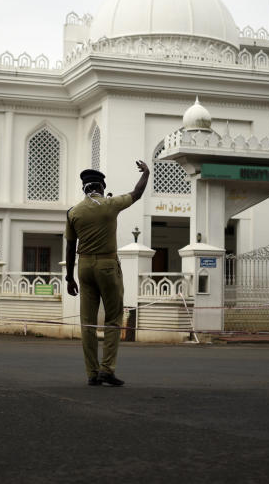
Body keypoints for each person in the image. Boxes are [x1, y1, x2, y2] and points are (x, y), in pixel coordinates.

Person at [64, 161, 149, 386]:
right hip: (107, 266)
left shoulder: (73, 212)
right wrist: (146, 173)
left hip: (83, 267)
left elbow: (70, 246)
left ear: (84, 188)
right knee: (112, 318)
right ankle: (107, 369)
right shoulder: (110, 204)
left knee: (88, 322)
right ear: (101, 187)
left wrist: (69, 277)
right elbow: (137, 193)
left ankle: (91, 373)